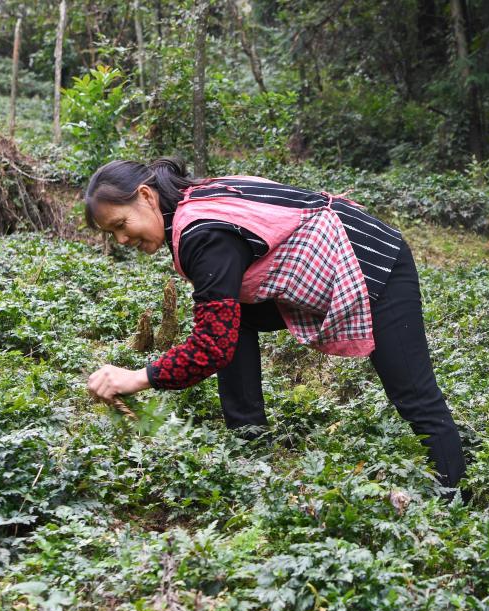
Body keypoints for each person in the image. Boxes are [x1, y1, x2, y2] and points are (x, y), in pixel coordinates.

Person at [83, 158, 467, 492]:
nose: (121, 238)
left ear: (147, 197)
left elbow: (210, 348)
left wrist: (137, 377)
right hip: (336, 256)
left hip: (374, 261)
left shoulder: (201, 232)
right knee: (236, 320)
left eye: (121, 223)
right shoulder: (193, 204)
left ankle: (454, 496)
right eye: (111, 234)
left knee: (414, 395)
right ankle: (248, 442)